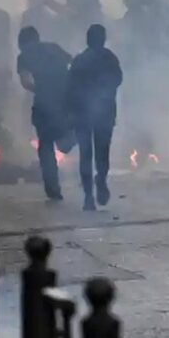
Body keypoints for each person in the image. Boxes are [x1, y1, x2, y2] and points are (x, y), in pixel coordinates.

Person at [67, 24, 123, 211]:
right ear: (103, 39)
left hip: (83, 114)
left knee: (85, 155)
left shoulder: (80, 60)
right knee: (102, 153)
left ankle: (89, 197)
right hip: (104, 112)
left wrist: (71, 113)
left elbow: (70, 88)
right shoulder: (110, 58)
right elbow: (117, 81)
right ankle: (101, 180)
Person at [16, 26, 73, 201]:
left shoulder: (24, 56)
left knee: (46, 146)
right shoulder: (54, 47)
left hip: (44, 104)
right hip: (65, 100)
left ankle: (53, 189)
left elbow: (26, 82)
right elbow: (72, 62)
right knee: (67, 132)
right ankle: (69, 141)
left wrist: (40, 90)